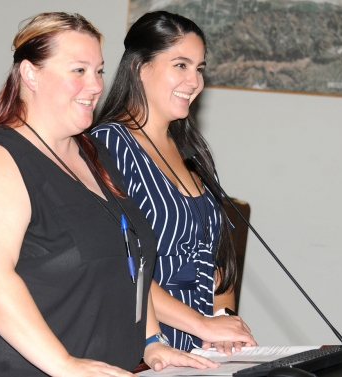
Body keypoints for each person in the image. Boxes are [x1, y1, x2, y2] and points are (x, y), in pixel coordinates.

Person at [0, 12, 220, 376]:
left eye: (98, 71)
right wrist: (64, 365)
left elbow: (130, 263)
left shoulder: (95, 155)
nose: (96, 85)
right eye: (78, 70)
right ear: (31, 74)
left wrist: (152, 341)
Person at [90, 11, 257, 354]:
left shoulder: (191, 152)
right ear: (139, 67)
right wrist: (201, 324)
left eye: (199, 68)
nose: (195, 81)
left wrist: (222, 321)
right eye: (180, 65)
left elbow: (217, 258)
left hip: (201, 349)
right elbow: (118, 263)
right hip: (141, 345)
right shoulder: (108, 145)